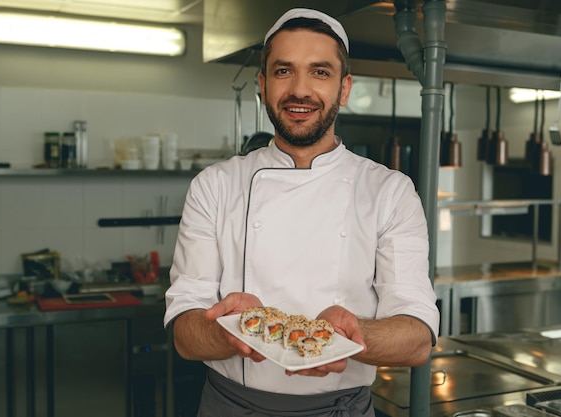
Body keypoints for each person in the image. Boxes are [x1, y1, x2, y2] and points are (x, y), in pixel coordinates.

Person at [164, 7, 440, 417]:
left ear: (344, 89)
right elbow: (185, 335)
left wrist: (356, 332)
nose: (299, 90)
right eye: (283, 71)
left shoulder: (389, 192)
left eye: (320, 72)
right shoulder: (215, 186)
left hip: (339, 409)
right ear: (262, 85)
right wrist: (231, 333)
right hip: (232, 407)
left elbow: (417, 337)